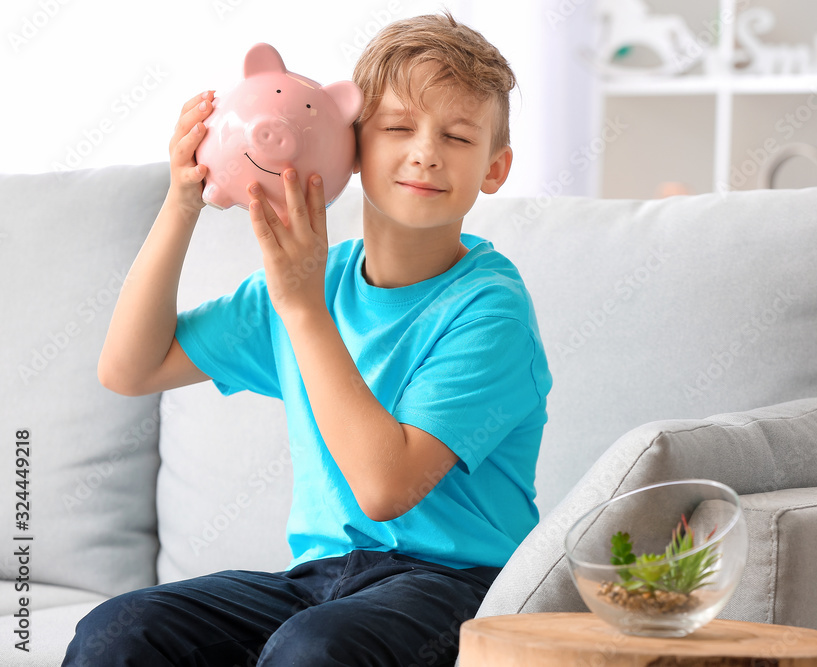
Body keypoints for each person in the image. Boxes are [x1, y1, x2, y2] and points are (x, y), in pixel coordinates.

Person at [63, 11, 551, 667]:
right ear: (352, 146)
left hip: (460, 586)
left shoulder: (490, 309)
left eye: (458, 136)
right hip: (322, 578)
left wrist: (301, 305)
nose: (426, 151)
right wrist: (182, 202)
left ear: (494, 167)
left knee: (314, 648)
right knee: (119, 630)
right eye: (398, 128)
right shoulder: (312, 282)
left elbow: (384, 488)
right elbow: (130, 367)